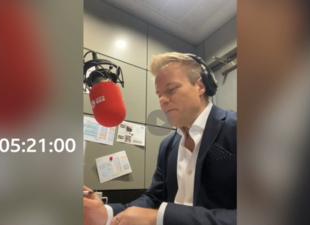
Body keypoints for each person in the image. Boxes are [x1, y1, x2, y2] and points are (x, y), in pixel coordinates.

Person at [84, 52, 237, 225]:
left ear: (200, 86)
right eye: (159, 94)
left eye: (171, 90)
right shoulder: (167, 146)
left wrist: (161, 217)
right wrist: (107, 213)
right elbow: (153, 198)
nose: (162, 100)